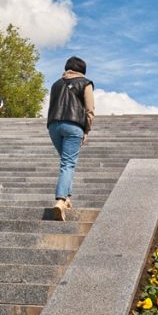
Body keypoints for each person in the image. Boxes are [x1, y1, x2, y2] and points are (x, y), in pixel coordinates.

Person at [46, 56, 95, 221]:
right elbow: (90, 110)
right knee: (68, 163)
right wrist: (87, 130)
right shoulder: (85, 83)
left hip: (53, 126)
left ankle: (67, 199)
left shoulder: (56, 84)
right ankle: (60, 201)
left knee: (66, 162)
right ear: (82, 70)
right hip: (73, 126)